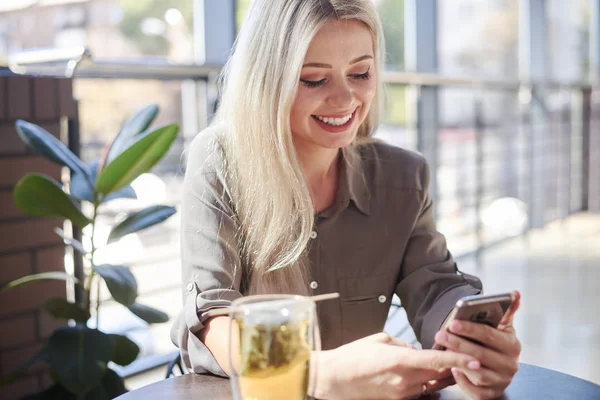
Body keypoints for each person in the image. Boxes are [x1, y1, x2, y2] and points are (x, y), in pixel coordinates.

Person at [170, 0, 522, 399]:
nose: (345, 99)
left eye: (360, 73)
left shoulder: (402, 177)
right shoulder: (219, 161)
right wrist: (311, 374)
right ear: (267, 81)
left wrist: (472, 342)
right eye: (314, 80)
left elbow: (436, 286)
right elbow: (214, 316)